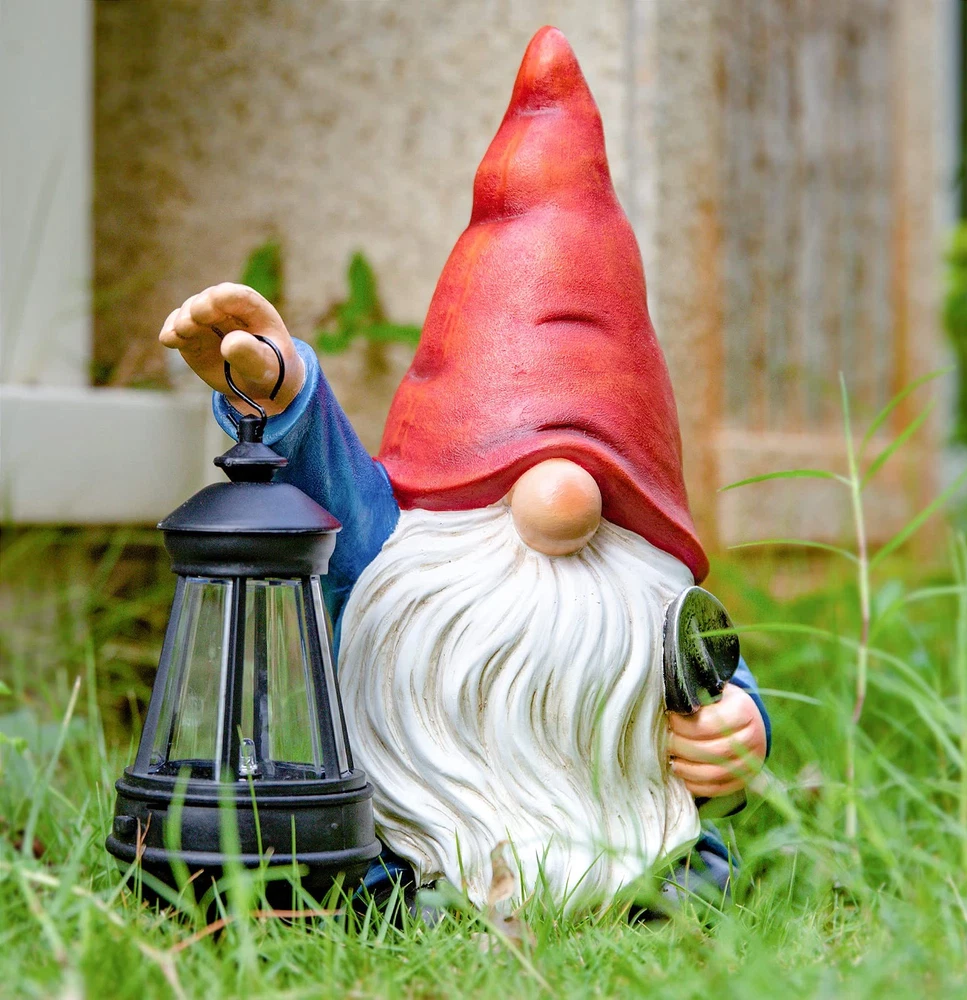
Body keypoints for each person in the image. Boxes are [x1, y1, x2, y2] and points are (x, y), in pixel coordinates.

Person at [158, 26, 769, 913]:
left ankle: (634, 889)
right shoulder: (407, 557)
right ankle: (428, 885)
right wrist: (281, 390)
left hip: (640, 852)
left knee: (696, 885)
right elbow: (324, 469)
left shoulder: (655, 602)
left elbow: (716, 686)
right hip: (413, 849)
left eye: (599, 473)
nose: (559, 505)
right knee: (369, 889)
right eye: (512, 467)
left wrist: (741, 731)